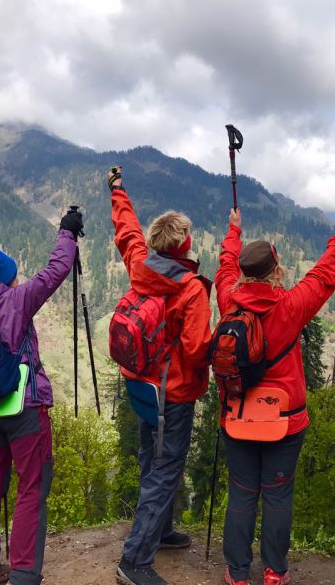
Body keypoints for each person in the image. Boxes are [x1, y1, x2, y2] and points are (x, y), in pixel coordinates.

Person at [215, 200, 335, 585]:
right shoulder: (292, 306)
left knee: (243, 492)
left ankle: (236, 573)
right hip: (284, 420)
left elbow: (225, 267)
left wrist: (234, 232)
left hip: (237, 416)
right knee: (277, 495)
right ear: (276, 269)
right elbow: (327, 271)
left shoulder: (228, 299)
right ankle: (273, 572)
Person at [0, 208, 83, 585]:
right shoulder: (16, 301)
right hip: (24, 409)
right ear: (4, 278)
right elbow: (55, 271)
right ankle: (25, 573)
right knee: (31, 486)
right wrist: (67, 233)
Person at [108, 169, 213, 585]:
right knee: (166, 467)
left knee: (152, 460)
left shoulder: (139, 263)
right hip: (173, 394)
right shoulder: (190, 289)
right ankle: (134, 561)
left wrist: (117, 190)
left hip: (140, 386)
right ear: (185, 245)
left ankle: (161, 530)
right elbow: (195, 350)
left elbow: (125, 229)